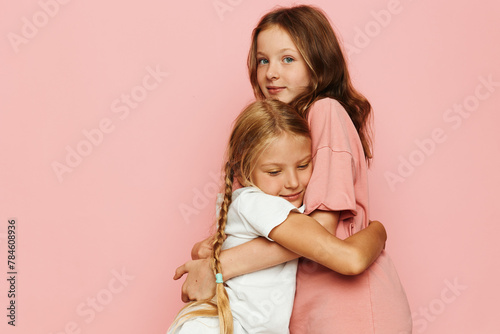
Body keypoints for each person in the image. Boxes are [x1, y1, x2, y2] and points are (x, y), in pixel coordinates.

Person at [177, 5, 412, 333]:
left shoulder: (325, 111)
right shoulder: (280, 136)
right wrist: (210, 251)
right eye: (263, 60)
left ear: (319, 62)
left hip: (348, 307)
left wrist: (218, 266)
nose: (271, 72)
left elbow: (321, 231)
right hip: (309, 307)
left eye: (288, 59)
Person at [168, 100, 386, 334]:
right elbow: (338, 249)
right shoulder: (257, 203)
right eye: (274, 172)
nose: (292, 182)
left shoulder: (258, 205)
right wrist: (379, 230)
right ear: (242, 170)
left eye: (303, 166)